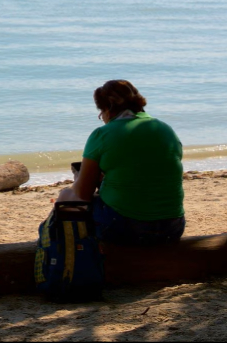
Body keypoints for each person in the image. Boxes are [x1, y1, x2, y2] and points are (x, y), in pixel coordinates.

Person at [58, 80, 185, 246]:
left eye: (101, 113)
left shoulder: (102, 134)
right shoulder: (164, 129)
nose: (102, 118)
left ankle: (71, 257)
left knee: (65, 197)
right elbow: (150, 172)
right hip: (172, 227)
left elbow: (82, 194)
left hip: (128, 228)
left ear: (108, 109)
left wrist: (76, 181)